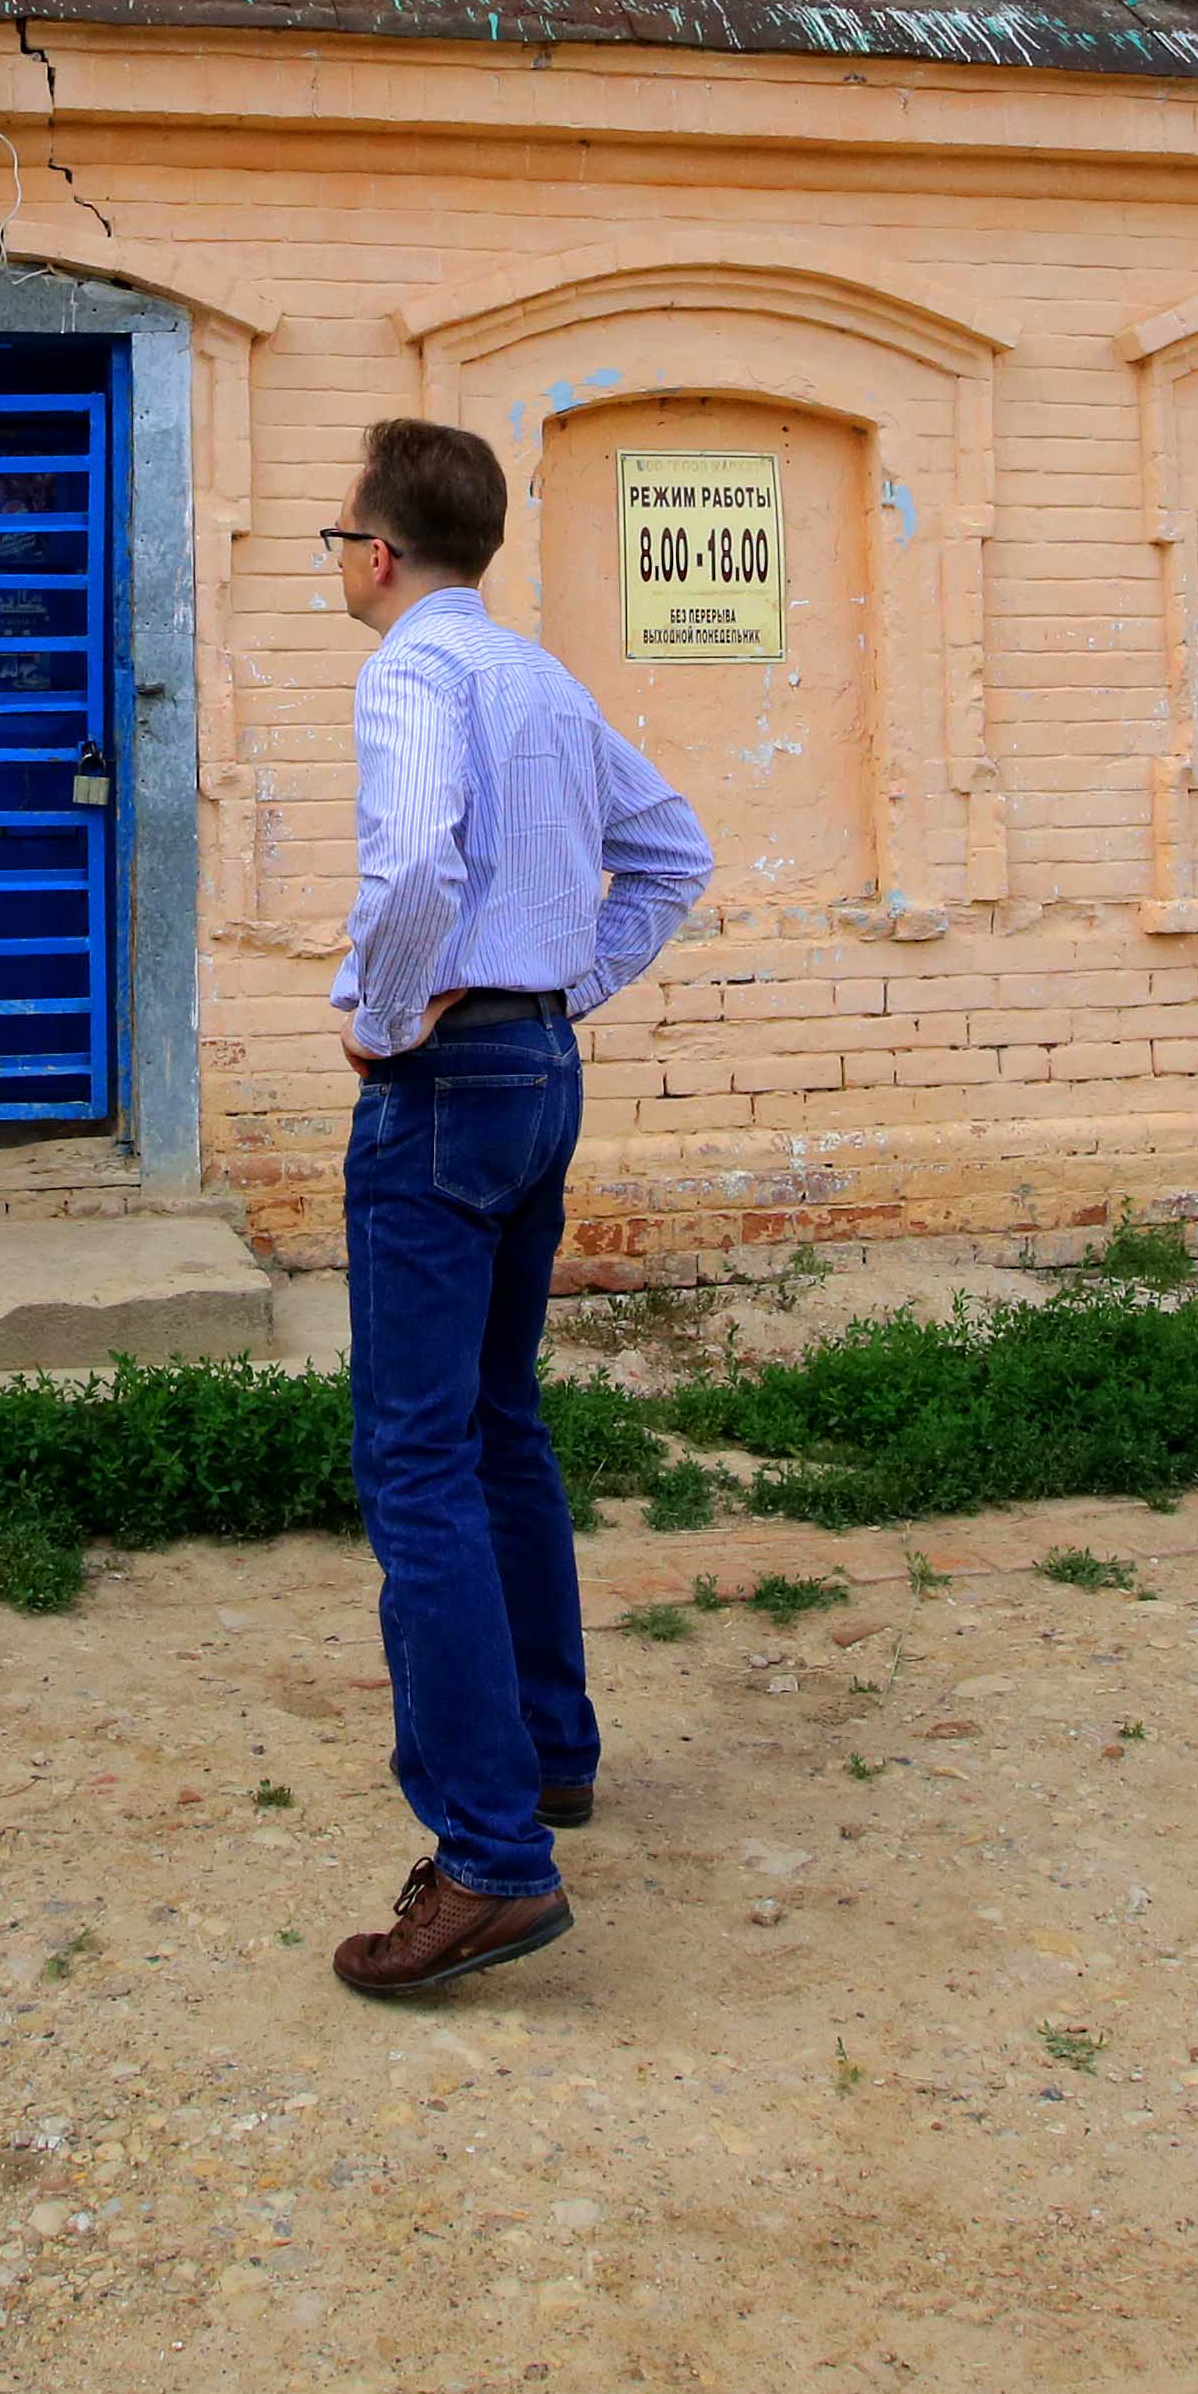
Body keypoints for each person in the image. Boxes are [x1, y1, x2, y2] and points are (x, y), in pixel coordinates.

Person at [312, 418, 713, 1999]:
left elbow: (413, 867)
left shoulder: (413, 672)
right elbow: (671, 854)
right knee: (498, 1426)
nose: (339, 562)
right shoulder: (538, 678)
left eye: (341, 537)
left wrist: (394, 1019)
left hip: (447, 1086)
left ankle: (488, 1861)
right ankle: (547, 1754)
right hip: (538, 1076)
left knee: (416, 1461)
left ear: (387, 552)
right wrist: (563, 997)